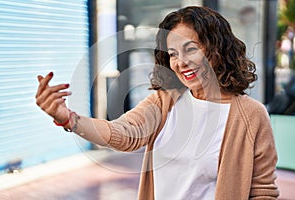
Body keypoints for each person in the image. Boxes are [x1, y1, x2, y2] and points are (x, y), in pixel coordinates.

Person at [36, 6, 279, 200]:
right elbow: (122, 133)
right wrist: (67, 118)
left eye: (190, 49)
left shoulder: (251, 115)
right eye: (172, 53)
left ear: (217, 49)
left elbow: (263, 192)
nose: (180, 62)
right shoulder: (166, 101)